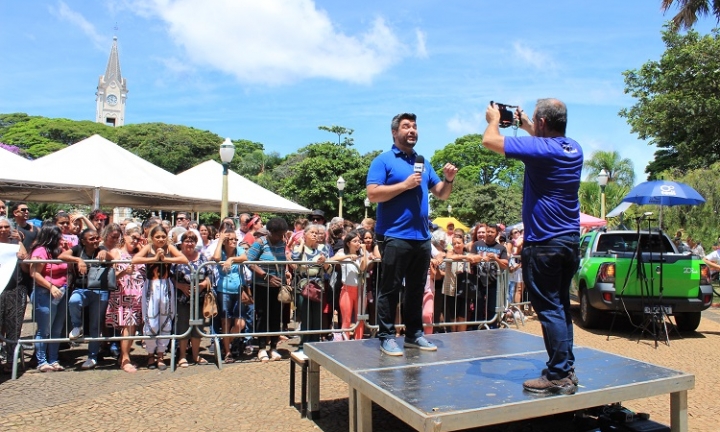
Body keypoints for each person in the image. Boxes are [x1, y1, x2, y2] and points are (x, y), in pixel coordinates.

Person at [483, 99, 582, 395]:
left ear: (541, 123)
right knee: (561, 306)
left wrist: (492, 118)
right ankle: (565, 367)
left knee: (549, 309)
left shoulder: (542, 150)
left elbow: (490, 140)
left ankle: (558, 376)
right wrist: (524, 123)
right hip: (569, 241)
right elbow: (541, 138)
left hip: (544, 244)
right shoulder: (572, 147)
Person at [366, 112, 457, 356]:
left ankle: (413, 334)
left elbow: (441, 193)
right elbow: (373, 194)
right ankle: (386, 335)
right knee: (390, 289)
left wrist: (448, 180)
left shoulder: (423, 162)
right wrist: (404, 185)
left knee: (417, 288)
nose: (412, 130)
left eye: (415, 126)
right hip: (394, 235)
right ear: (394, 132)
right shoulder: (383, 161)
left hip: (421, 237)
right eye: (406, 126)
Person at [132, 225, 188, 370]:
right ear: (152, 238)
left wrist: (166, 259)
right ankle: (151, 354)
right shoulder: (148, 247)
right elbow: (135, 259)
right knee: (151, 320)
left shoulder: (169, 248)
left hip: (165, 286)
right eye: (157, 237)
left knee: (165, 318)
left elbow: (183, 259)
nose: (161, 239)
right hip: (151, 286)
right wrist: (155, 259)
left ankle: (161, 355)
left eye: (163, 236)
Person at [62, 228, 115, 369]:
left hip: (100, 290)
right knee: (74, 301)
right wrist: (78, 259)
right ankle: (77, 325)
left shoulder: (101, 249)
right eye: (91, 239)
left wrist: (106, 254)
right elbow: (62, 256)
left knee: (95, 325)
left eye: (97, 237)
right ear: (83, 241)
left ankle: (92, 356)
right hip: (81, 288)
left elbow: (112, 258)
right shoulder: (77, 249)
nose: (96, 240)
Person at [239, 217, 289, 361]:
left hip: (277, 286)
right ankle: (261, 348)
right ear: (271, 232)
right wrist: (266, 276)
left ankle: (273, 347)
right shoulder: (260, 243)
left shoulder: (282, 244)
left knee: (275, 316)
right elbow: (249, 261)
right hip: (261, 286)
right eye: (279, 234)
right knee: (262, 315)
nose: (281, 236)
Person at [28, 225, 69, 372]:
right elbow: (35, 273)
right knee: (44, 330)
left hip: (62, 291)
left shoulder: (59, 250)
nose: (61, 239)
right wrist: (51, 287)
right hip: (45, 293)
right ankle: (42, 360)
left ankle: (53, 359)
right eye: (58, 236)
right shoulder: (40, 251)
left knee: (57, 329)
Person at [107, 225, 145, 373]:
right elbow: (112, 276)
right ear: (125, 236)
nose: (135, 241)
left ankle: (124, 356)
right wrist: (124, 272)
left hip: (137, 295)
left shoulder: (139, 254)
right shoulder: (117, 252)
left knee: (132, 327)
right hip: (123, 293)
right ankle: (125, 359)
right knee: (127, 327)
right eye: (133, 237)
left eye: (138, 238)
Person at [173, 230, 213, 367]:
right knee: (183, 327)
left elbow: (210, 275)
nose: (189, 243)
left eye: (192, 241)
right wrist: (180, 286)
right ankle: (182, 356)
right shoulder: (176, 258)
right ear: (181, 243)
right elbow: (169, 277)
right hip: (183, 298)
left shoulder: (202, 257)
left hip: (200, 298)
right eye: (186, 241)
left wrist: (203, 284)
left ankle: (196, 355)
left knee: (198, 327)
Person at [212, 228, 247, 364]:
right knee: (225, 321)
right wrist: (220, 240)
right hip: (224, 290)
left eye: (235, 239)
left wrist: (231, 259)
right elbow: (216, 258)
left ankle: (223, 341)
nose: (234, 241)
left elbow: (245, 257)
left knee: (240, 323)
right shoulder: (221, 251)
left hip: (238, 289)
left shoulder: (238, 251)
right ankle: (227, 352)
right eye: (231, 239)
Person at [0, 216, 28, 373]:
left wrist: (20, 243)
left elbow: (25, 264)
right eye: (0, 227)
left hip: (15, 289)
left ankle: (11, 361)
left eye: (6, 227)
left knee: (13, 325)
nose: (3, 230)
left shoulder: (14, 245)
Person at [467, 224, 508, 327]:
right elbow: (471, 259)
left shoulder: (501, 248)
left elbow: (505, 264)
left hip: (493, 282)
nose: (489, 234)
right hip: (478, 280)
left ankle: (492, 327)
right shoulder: (477, 244)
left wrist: (495, 259)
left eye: (492, 232)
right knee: (478, 306)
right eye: (488, 231)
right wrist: (481, 258)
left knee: (492, 307)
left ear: (496, 234)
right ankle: (476, 327)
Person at [332, 230, 368, 340]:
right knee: (346, 318)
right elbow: (332, 259)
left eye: (359, 241)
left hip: (360, 290)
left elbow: (363, 267)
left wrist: (364, 251)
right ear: (348, 243)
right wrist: (348, 257)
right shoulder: (342, 252)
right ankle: (346, 340)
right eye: (355, 241)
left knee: (360, 318)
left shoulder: (361, 254)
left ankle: (358, 340)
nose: (358, 243)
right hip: (347, 290)